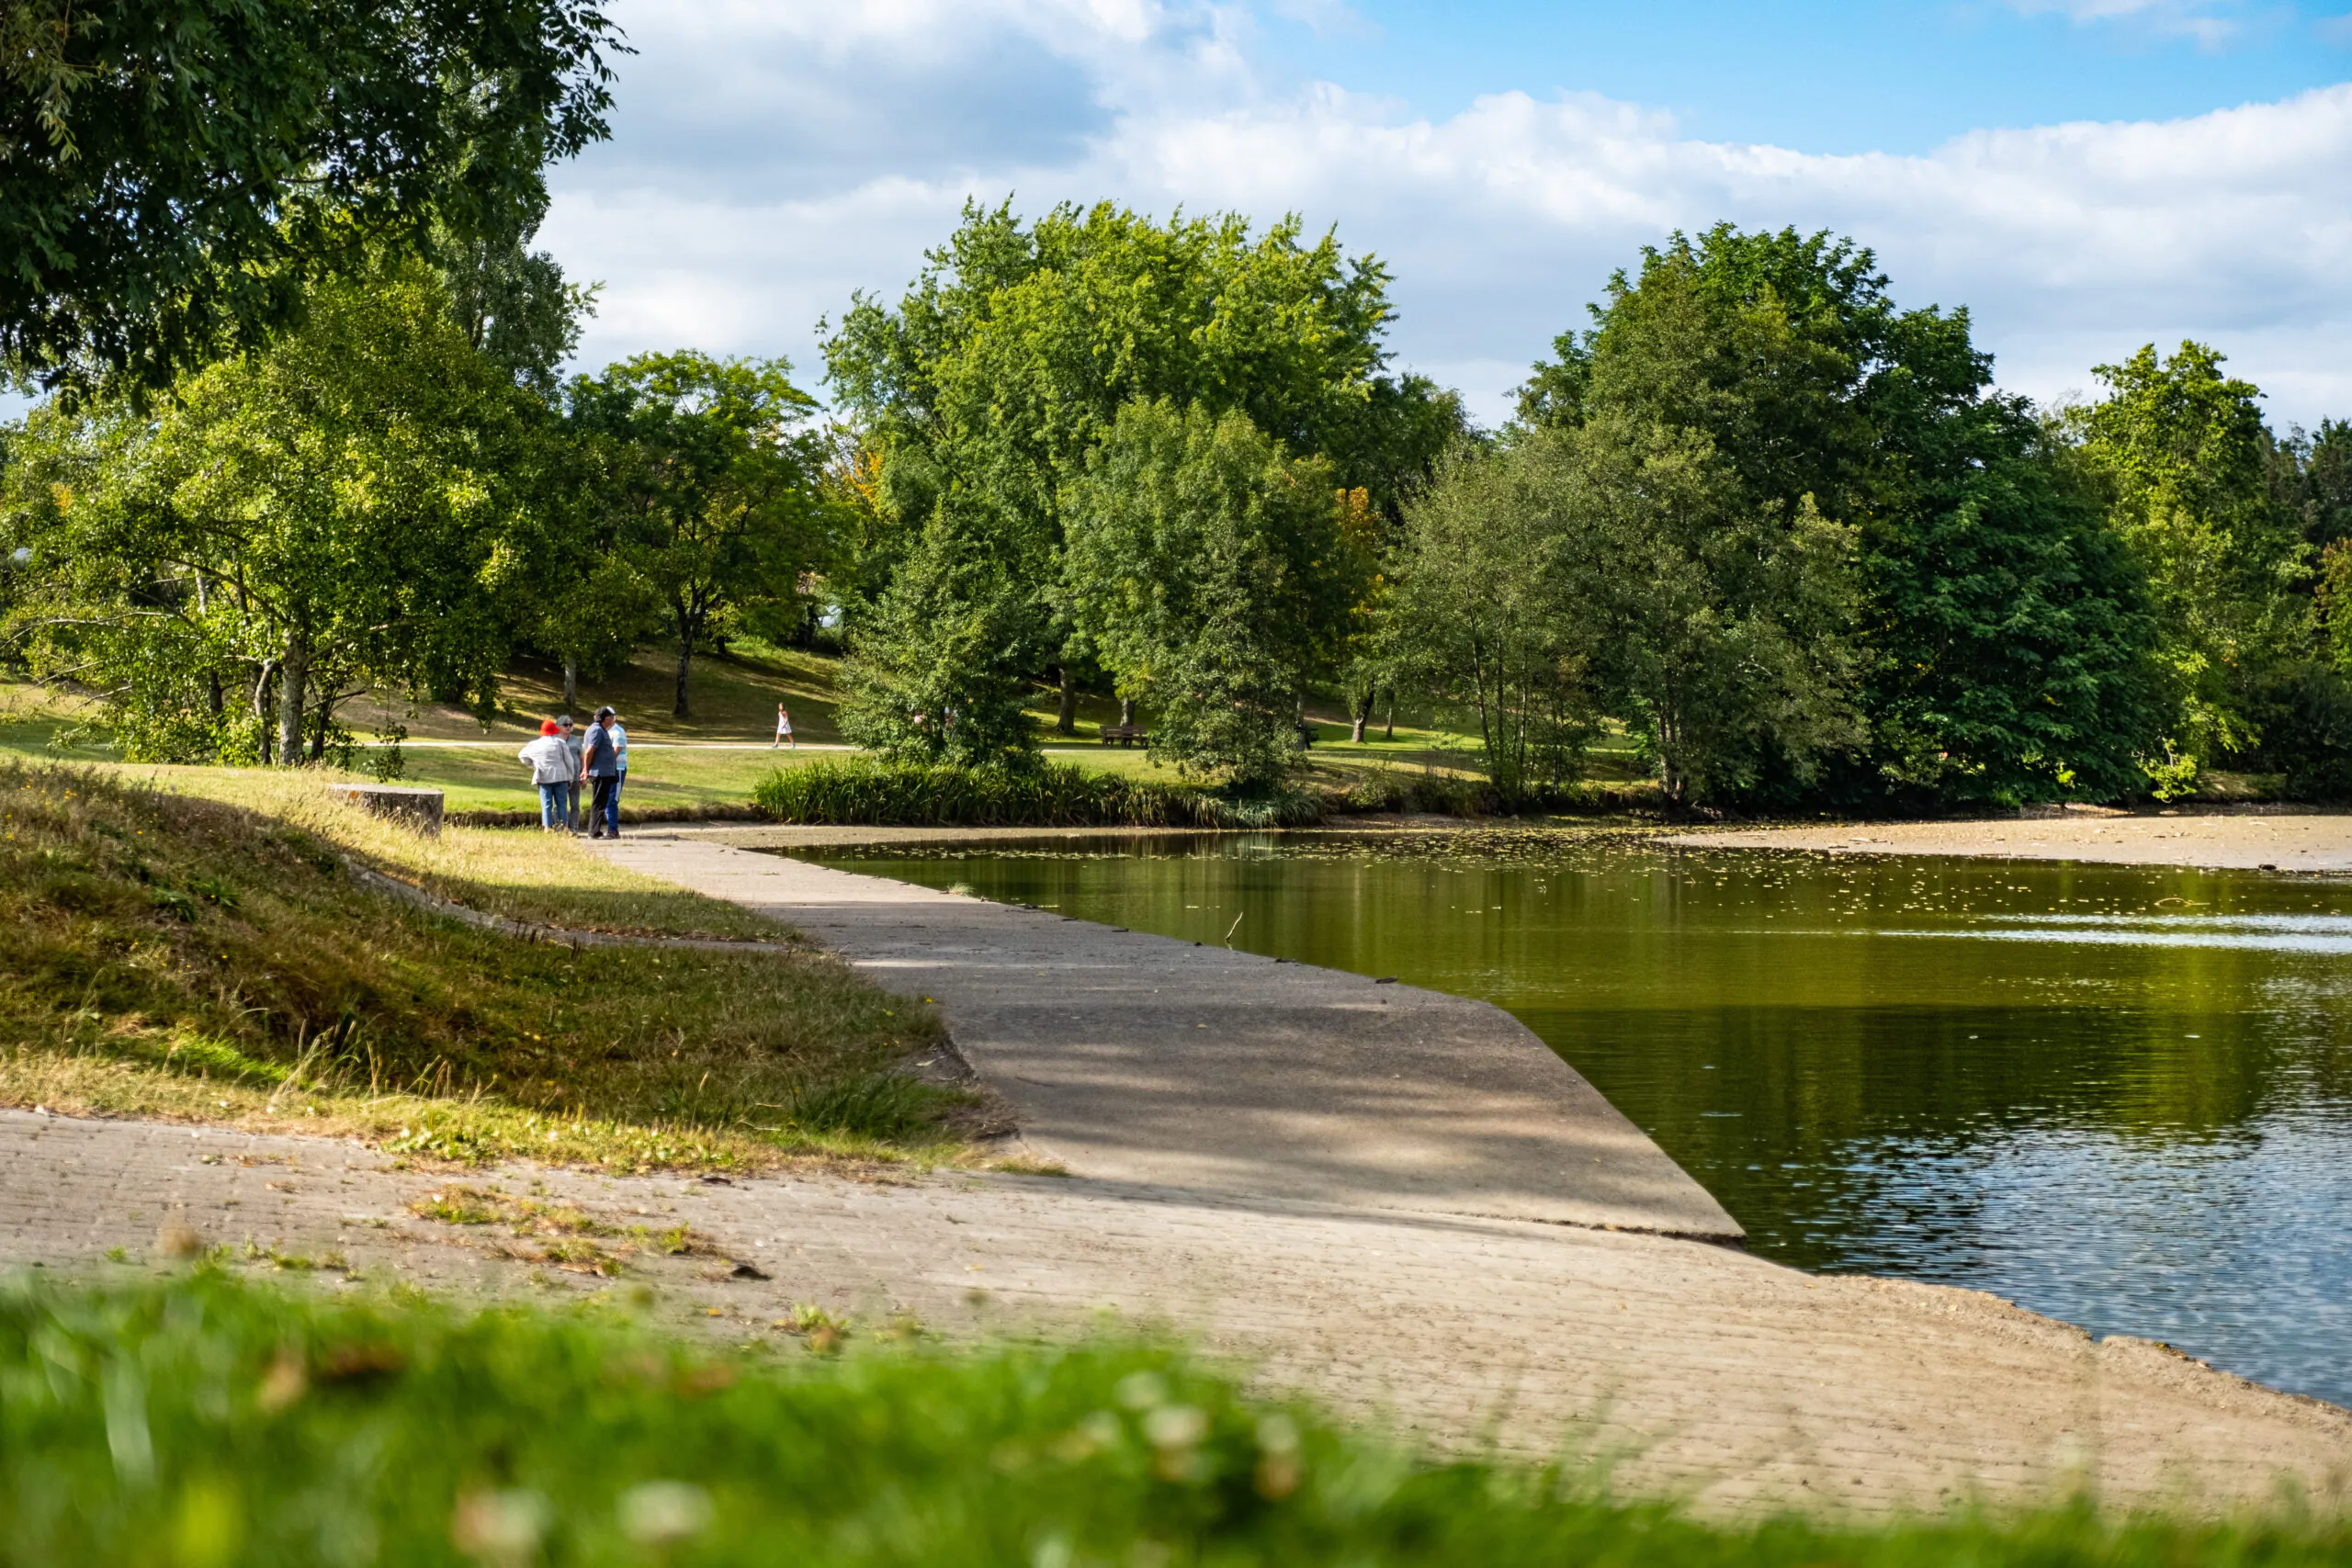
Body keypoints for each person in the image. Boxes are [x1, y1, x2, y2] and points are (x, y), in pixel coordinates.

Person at [517, 720, 572, 830]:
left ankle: (547, 827)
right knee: (561, 803)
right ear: (554, 731)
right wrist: (570, 776)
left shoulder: (534, 744)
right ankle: (564, 827)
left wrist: (532, 764)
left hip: (543, 776)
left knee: (546, 804)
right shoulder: (560, 742)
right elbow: (569, 761)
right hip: (560, 776)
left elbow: (522, 755)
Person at [580, 705, 623, 840]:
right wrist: (586, 770)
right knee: (599, 802)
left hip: (605, 772)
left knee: (602, 801)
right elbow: (589, 751)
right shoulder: (597, 730)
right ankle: (594, 832)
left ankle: (595, 831)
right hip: (600, 773)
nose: (613, 719)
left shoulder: (600, 729)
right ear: (606, 718)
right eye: (611, 716)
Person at [555, 715, 584, 831]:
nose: (568, 727)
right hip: (560, 777)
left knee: (575, 804)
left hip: (575, 776)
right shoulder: (554, 739)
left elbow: (581, 757)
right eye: (565, 725)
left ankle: (574, 828)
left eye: (570, 725)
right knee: (559, 804)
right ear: (558, 726)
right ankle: (559, 827)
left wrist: (583, 773)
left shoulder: (576, 740)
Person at [607, 710, 629, 818]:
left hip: (618, 768)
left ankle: (613, 829)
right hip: (607, 769)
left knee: (613, 798)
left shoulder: (618, 731)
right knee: (606, 798)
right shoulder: (603, 730)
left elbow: (616, 750)